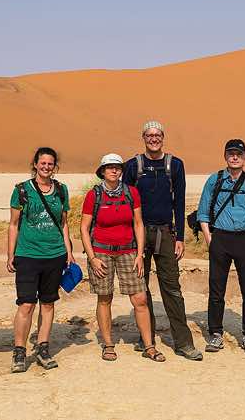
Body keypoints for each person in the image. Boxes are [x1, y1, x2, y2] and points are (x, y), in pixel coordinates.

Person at [122, 120, 202, 361]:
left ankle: (183, 343)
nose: (153, 139)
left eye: (157, 135)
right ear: (143, 137)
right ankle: (146, 338)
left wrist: (180, 237)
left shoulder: (175, 165)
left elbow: (179, 202)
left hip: (166, 233)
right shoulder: (133, 165)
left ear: (163, 137)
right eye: (149, 135)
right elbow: (126, 201)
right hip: (140, 233)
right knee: (140, 287)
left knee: (172, 288)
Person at [80, 153, 165, 362]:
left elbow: (138, 223)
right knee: (105, 297)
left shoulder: (131, 193)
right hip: (101, 252)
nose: (114, 170)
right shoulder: (94, 195)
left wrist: (139, 254)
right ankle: (108, 344)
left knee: (140, 298)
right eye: (109, 167)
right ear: (102, 171)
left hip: (128, 251)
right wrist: (92, 258)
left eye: (117, 167)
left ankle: (149, 346)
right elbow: (84, 227)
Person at [6, 147, 75, 373]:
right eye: (42, 163)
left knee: (48, 302)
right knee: (26, 304)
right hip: (27, 255)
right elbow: (14, 224)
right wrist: (10, 254)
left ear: (55, 166)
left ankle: (43, 348)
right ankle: (19, 351)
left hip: (55, 255)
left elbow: (64, 223)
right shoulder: (22, 190)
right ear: (35, 164)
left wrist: (69, 251)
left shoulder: (61, 190)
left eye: (50, 164)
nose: (46, 167)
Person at [197, 139, 245, 355]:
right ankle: (216, 334)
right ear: (225, 156)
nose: (234, 157)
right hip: (221, 239)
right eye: (231, 153)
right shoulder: (215, 180)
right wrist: (210, 239)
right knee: (216, 290)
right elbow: (203, 213)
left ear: (244, 157)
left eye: (238, 154)